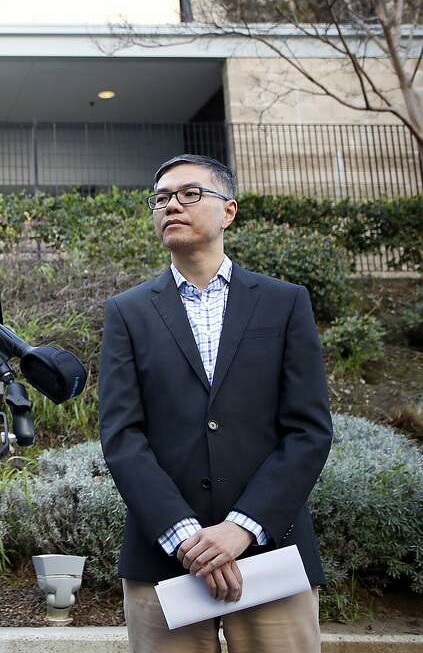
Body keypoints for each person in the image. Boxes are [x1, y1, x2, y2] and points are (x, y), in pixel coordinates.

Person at [98, 154, 332, 653]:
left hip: (272, 553)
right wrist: (185, 536)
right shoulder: (128, 312)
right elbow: (122, 438)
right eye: (160, 198)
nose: (170, 206)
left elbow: (308, 430)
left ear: (228, 211)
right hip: (162, 560)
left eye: (188, 194)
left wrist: (240, 529)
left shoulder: (285, 302)